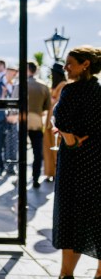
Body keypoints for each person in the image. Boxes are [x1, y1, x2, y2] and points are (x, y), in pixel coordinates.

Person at [51, 45, 101, 279]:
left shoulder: (71, 91)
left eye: (70, 63)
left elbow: (62, 122)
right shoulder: (99, 91)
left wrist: (70, 141)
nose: (66, 67)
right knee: (95, 214)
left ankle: (66, 274)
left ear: (85, 64)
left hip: (75, 161)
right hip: (97, 160)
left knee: (70, 215)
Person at [24, 61, 51, 188]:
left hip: (22, 122)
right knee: (37, 153)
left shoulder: (21, 84)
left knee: (21, 152)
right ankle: (35, 178)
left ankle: (21, 178)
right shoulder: (43, 85)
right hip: (37, 123)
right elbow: (47, 107)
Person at [42, 62, 67, 181]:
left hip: (55, 123)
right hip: (49, 122)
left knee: (56, 148)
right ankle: (50, 173)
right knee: (48, 148)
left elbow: (57, 104)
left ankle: (57, 173)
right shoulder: (54, 86)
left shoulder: (63, 85)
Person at [2, 65, 20, 176]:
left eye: (13, 73)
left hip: (13, 119)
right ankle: (2, 165)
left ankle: (10, 166)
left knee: (12, 143)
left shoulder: (16, 86)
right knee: (2, 143)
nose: (11, 75)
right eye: (10, 73)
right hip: (2, 119)